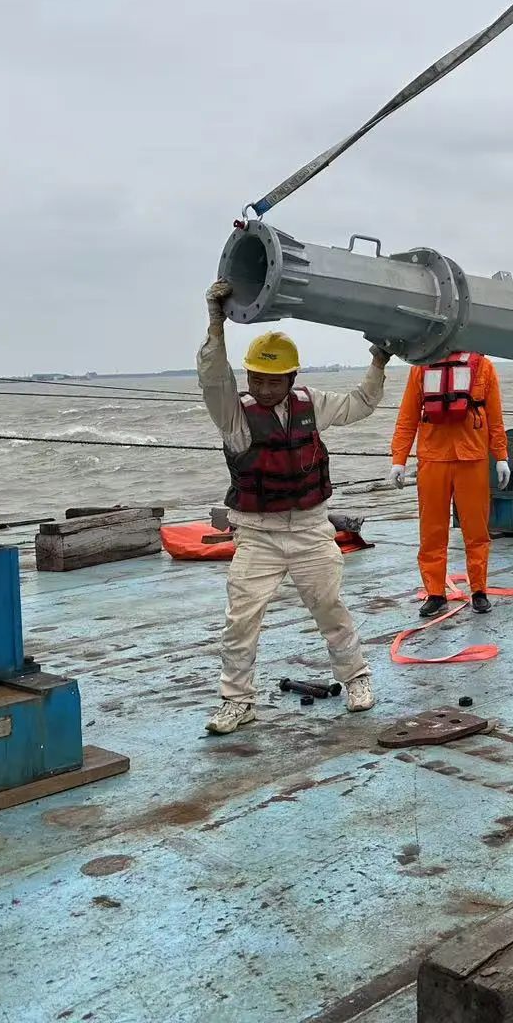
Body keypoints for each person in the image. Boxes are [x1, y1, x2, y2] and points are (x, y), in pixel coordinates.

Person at [200, 280, 388, 736]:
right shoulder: (232, 413)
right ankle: (237, 701)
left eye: (273, 380)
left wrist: (379, 360)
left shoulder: (312, 404)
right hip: (257, 534)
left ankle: (356, 678)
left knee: (329, 608)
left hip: (309, 529)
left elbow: (362, 403)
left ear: (291, 378)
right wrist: (216, 321)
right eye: (256, 379)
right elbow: (213, 376)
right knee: (240, 621)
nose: (263, 388)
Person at [390, 349, 510, 619]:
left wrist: (501, 456)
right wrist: (399, 459)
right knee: (431, 532)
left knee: (476, 530)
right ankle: (435, 594)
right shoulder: (420, 367)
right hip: (433, 458)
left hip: (473, 458)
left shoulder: (484, 367)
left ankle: (479, 591)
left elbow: (495, 415)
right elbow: (408, 416)